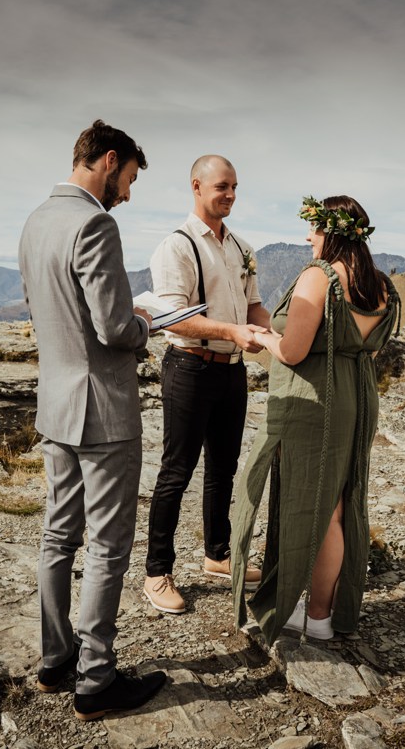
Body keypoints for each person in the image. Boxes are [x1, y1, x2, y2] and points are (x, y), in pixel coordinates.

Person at [17, 119, 166, 719]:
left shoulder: (35, 221)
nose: (127, 194)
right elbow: (111, 328)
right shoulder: (94, 224)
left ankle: (56, 661)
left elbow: (45, 308)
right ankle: (97, 681)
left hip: (55, 404)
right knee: (108, 546)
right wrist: (147, 326)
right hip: (103, 411)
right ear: (108, 161)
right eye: (129, 179)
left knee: (57, 536)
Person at [231, 194, 400, 643]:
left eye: (315, 228)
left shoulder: (318, 277)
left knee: (314, 506)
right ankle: (323, 614)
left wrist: (263, 337)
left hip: (316, 401)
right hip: (358, 398)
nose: (309, 237)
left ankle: (300, 612)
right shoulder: (381, 284)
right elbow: (371, 348)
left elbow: (293, 351)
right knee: (341, 505)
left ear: (333, 232)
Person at [142, 155, 271, 614]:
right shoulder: (176, 247)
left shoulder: (241, 247)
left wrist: (267, 334)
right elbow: (174, 318)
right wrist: (232, 332)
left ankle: (217, 555)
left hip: (232, 371)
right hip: (190, 370)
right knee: (175, 472)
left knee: (224, 467)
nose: (230, 195)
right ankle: (157, 572)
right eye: (222, 187)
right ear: (196, 186)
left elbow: (253, 306)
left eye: (235, 186)